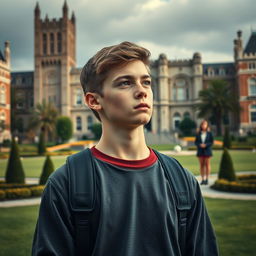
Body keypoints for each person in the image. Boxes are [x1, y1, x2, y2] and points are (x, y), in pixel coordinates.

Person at [32, 42, 219, 255]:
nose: (142, 91)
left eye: (146, 82)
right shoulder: (65, 184)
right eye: (125, 83)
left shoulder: (183, 181)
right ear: (93, 100)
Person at [195, 120, 214, 185]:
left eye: (205, 124)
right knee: (201, 165)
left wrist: (206, 145)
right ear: (201, 125)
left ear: (207, 125)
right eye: (203, 124)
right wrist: (200, 145)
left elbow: (211, 142)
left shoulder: (209, 133)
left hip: (207, 151)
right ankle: (202, 179)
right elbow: (196, 142)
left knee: (207, 164)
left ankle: (207, 179)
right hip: (200, 151)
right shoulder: (198, 133)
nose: (204, 126)